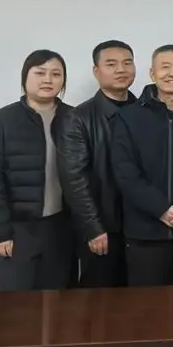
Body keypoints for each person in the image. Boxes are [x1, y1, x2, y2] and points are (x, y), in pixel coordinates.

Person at [0, 50, 76, 291]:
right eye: (40, 73)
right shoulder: (2, 121)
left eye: (56, 74)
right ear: (25, 77)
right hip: (16, 230)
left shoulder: (74, 118)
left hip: (60, 229)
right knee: (12, 306)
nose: (48, 79)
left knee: (58, 303)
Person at [111, 45, 173, 287]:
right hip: (143, 233)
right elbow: (125, 172)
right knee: (146, 306)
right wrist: (161, 209)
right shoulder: (128, 117)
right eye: (165, 67)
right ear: (152, 73)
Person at [58, 40, 136, 288]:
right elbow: (74, 180)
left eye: (127, 63)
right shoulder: (79, 118)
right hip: (103, 229)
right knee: (100, 300)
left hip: (142, 228)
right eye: (111, 64)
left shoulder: (145, 110)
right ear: (96, 71)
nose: (121, 69)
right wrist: (93, 228)